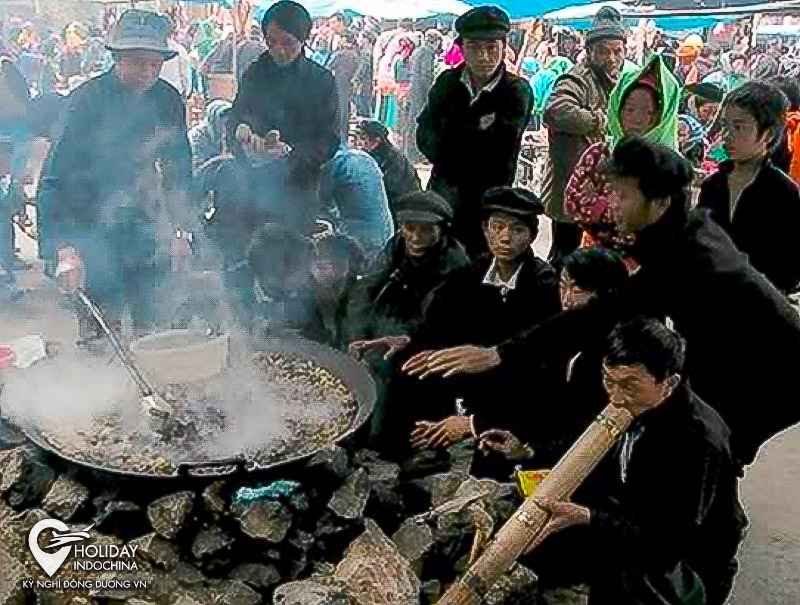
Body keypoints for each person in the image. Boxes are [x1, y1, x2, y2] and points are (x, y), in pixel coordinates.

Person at [405, 138, 800, 470]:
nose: (610, 203)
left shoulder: (690, 255)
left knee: (710, 446)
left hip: (775, 370)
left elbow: (600, 315)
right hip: (738, 356)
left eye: (621, 194)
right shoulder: (677, 234)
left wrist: (497, 354)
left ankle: (707, 550)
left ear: (659, 202)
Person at [502, 318, 747, 605]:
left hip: (684, 563)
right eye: (609, 380)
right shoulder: (627, 400)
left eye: (630, 385)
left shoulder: (698, 440)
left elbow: (668, 538)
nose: (615, 397)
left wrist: (587, 517)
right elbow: (582, 446)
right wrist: (527, 452)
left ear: (669, 383)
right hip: (628, 526)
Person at [47, 9, 191, 341]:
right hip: (90, 221)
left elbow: (178, 171)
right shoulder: (85, 101)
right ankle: (101, 376)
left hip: (145, 222)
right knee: (101, 325)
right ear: (117, 57)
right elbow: (56, 177)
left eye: (155, 63)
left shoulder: (168, 100)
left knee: (152, 321)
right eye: (138, 61)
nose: (148, 71)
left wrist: (182, 231)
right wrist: (65, 248)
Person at [403, 188, 561, 462]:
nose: (505, 237)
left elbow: (533, 365)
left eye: (517, 230)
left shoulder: (543, 287)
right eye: (497, 227)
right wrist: (406, 340)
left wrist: (471, 422)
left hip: (511, 398)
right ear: (485, 230)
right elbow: (437, 325)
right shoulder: (471, 274)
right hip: (465, 389)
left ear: (533, 236)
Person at [417, 6, 533, 257]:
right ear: (462, 48)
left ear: (504, 48)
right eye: (475, 47)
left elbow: (500, 150)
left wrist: (454, 135)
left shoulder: (516, 91)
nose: (484, 56)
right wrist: (476, 130)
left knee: (478, 267)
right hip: (442, 194)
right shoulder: (447, 82)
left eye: (492, 47)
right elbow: (424, 135)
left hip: (487, 201)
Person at [230, 0, 340, 235]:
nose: (278, 50)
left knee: (293, 259)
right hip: (252, 185)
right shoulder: (254, 73)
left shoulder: (321, 81)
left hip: (299, 188)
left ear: (303, 40)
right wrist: (243, 131)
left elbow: (329, 140)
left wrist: (289, 152)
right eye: (271, 42)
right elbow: (237, 116)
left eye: (288, 43)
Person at [565, 54, 680, 248]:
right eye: (630, 110)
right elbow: (571, 202)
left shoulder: (669, 165)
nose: (637, 119)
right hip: (596, 255)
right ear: (617, 108)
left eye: (649, 112)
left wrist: (598, 203)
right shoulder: (600, 153)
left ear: (663, 116)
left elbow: (663, 220)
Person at [698, 81, 800, 293]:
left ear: (768, 134)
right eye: (725, 125)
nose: (727, 135)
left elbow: (789, 269)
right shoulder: (712, 186)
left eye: (739, 127)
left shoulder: (785, 194)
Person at [543, 6, 626, 264]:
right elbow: (556, 110)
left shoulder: (610, 80)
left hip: (592, 190)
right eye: (604, 52)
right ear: (589, 52)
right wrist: (600, 121)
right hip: (570, 188)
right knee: (564, 254)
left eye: (617, 51)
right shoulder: (579, 78)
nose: (612, 58)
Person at [344, 190, 469, 346]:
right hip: (389, 320)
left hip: (424, 338)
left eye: (426, 230)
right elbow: (366, 287)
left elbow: (431, 318)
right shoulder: (397, 245)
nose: (416, 238)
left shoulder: (454, 265)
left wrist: (389, 341)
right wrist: (357, 336)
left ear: (442, 230)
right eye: (410, 228)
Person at [318, 141, 395, 257]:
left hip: (360, 242)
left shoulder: (333, 166)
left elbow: (320, 204)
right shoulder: (364, 158)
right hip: (386, 234)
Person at [354, 118, 420, 223]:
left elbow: (388, 190)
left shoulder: (394, 159)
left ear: (377, 140)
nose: (361, 142)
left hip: (402, 209)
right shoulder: (372, 155)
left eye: (364, 138)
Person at [188, 99, 232, 170]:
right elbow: (194, 170)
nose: (227, 127)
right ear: (214, 120)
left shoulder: (230, 135)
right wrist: (221, 159)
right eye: (224, 122)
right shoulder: (196, 136)